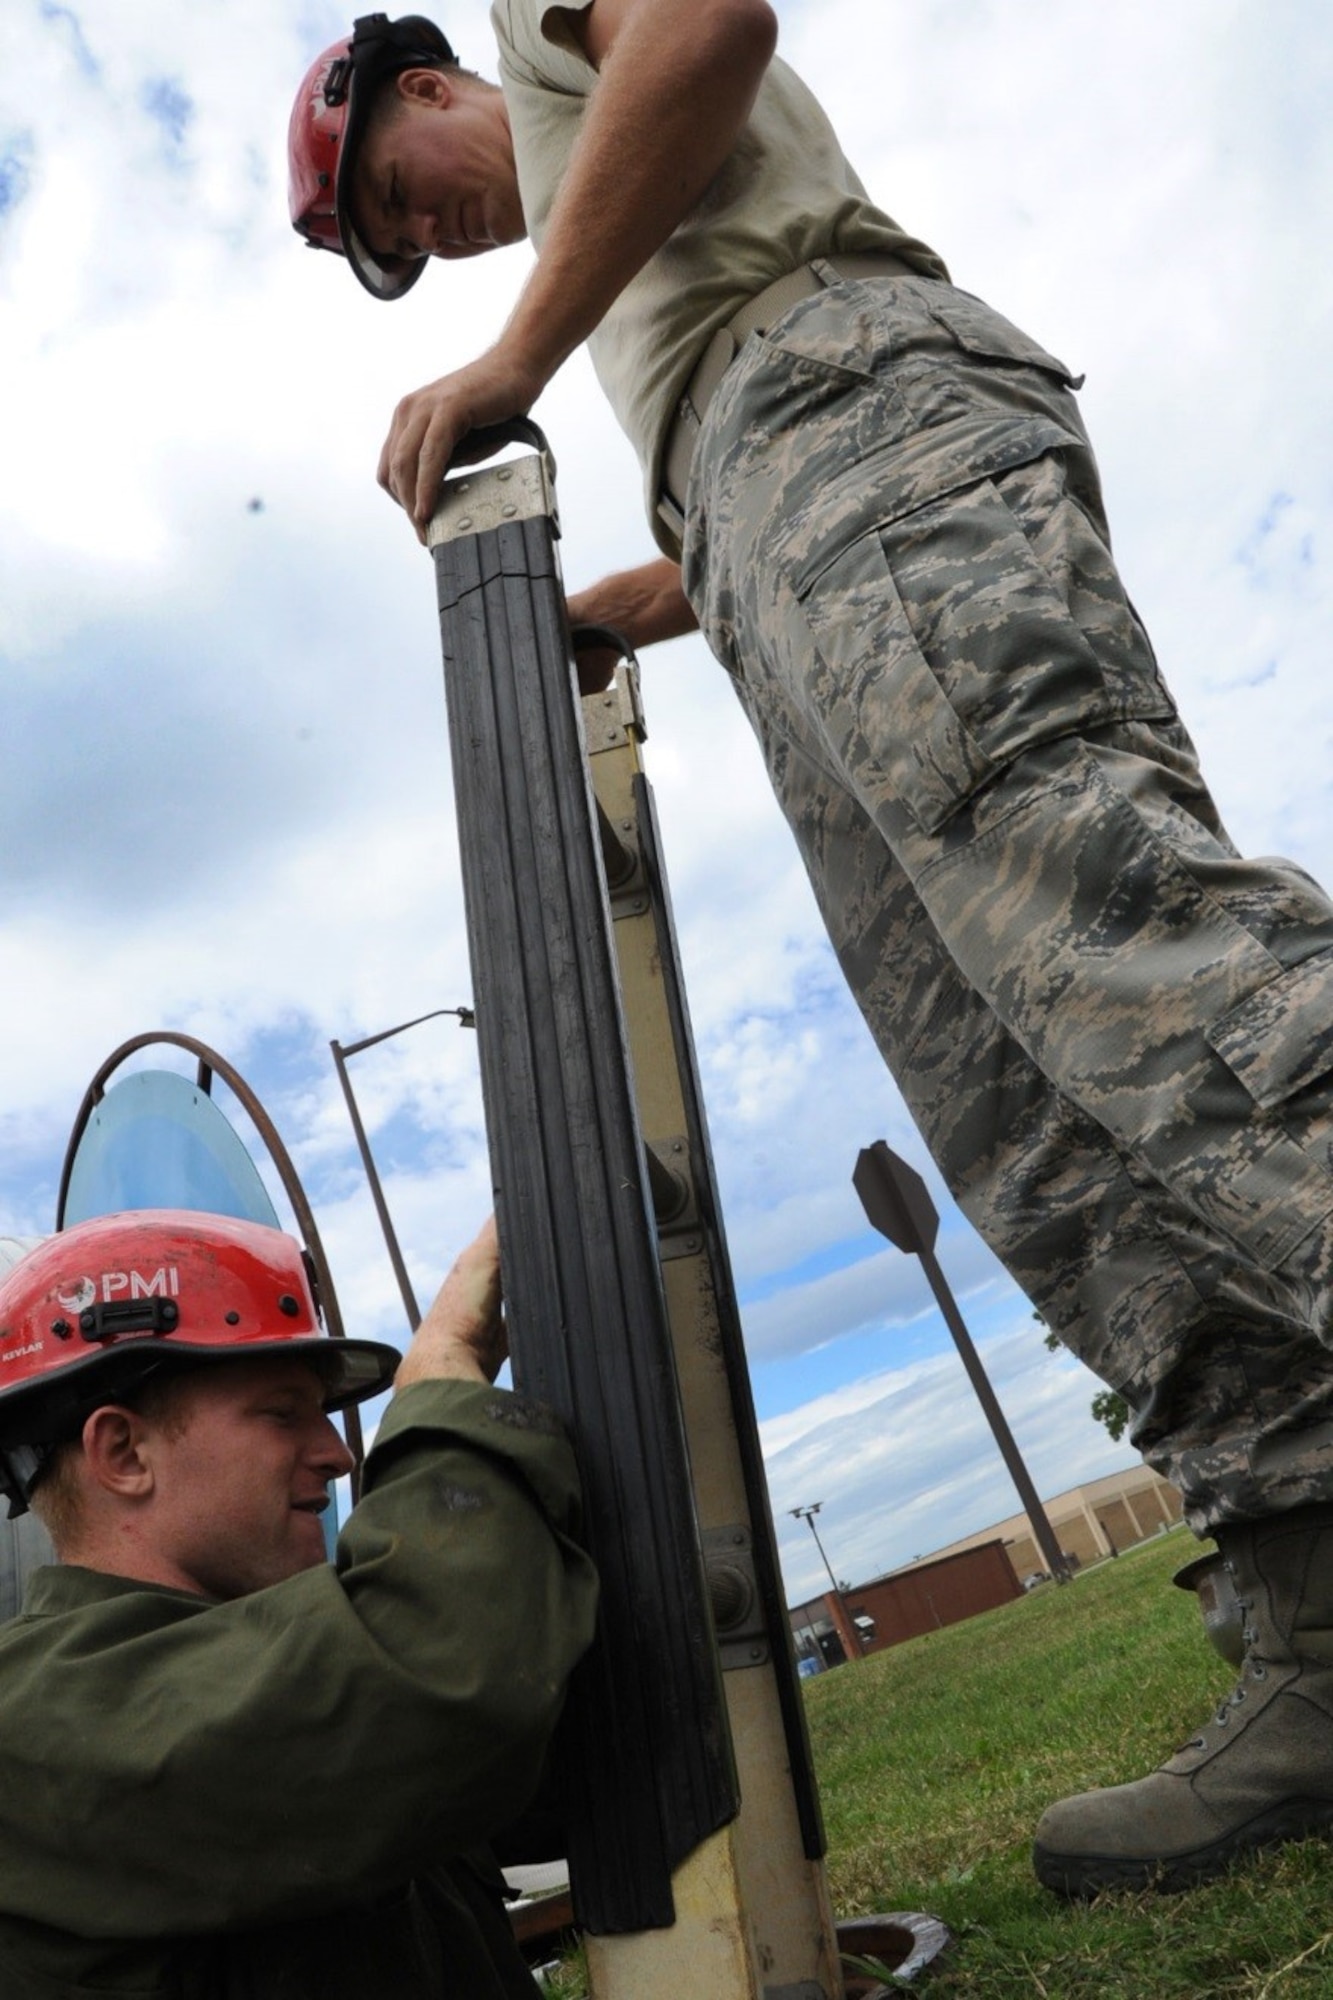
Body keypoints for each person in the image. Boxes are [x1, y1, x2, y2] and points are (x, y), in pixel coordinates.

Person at [288, 7, 1333, 1897]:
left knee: (1140, 968)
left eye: (398, 193)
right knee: (1039, 1137)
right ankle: (1319, 1630)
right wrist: (658, 585)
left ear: (432, 86)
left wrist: (511, 354)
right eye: (401, 247)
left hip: (850, 406)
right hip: (776, 503)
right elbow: (747, 405)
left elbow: (704, 24)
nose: (429, 242)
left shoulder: (559, 75)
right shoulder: (632, 283)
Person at [0, 1206, 598, 1996]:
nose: (337, 1453)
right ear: (123, 1452)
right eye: (282, 1413)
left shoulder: (291, 1677)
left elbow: (567, 1752)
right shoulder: (36, 1720)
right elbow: (442, 1680)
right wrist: (442, 1383)